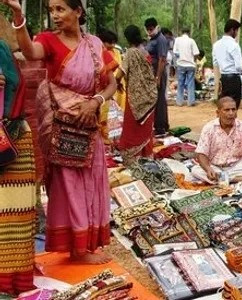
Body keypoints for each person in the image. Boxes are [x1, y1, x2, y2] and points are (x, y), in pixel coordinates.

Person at [3, 0, 117, 264]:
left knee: (93, 182)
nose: (54, 15)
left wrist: (95, 102)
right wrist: (18, 15)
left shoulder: (95, 45)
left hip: (89, 125)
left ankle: (88, 243)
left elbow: (111, 84)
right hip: (61, 127)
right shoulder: (48, 41)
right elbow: (30, 52)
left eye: (60, 9)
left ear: (77, 11)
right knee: (68, 185)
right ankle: (76, 250)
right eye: (51, 10)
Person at [0, 31, 36, 295]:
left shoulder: (2, 49)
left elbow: (13, 85)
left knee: (14, 216)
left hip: (11, 142)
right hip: (13, 137)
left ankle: (12, 282)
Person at [191, 97, 242, 184]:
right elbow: (201, 153)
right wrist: (208, 169)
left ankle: (223, 179)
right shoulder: (209, 128)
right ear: (218, 113)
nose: (231, 113)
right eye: (227, 110)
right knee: (196, 170)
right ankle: (235, 179)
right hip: (215, 167)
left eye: (233, 109)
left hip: (237, 166)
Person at [118, 25, 157, 166]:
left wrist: (116, 82)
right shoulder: (144, 51)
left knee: (132, 127)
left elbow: (121, 72)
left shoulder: (130, 53)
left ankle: (132, 157)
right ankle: (146, 155)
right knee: (146, 128)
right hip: (150, 96)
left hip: (135, 97)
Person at [144, 17, 169, 136]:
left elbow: (162, 59)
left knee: (159, 100)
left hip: (158, 72)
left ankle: (160, 127)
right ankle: (161, 124)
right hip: (151, 72)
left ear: (156, 27)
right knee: (155, 99)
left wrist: (158, 77)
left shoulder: (161, 39)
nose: (150, 31)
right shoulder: (151, 39)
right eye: (148, 29)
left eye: (151, 29)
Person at [213, 19, 242, 108]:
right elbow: (239, 66)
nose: (236, 33)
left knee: (225, 105)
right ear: (232, 30)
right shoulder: (234, 45)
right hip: (233, 78)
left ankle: (223, 121)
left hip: (224, 78)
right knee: (233, 105)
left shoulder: (216, 45)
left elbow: (215, 62)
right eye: (236, 30)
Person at [173, 27, 200, 107]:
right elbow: (196, 53)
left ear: (182, 32)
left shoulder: (177, 40)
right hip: (190, 64)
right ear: (189, 32)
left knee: (180, 83)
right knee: (190, 83)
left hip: (181, 64)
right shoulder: (191, 41)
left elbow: (175, 52)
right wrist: (193, 60)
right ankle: (190, 102)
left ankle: (179, 102)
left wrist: (180, 57)